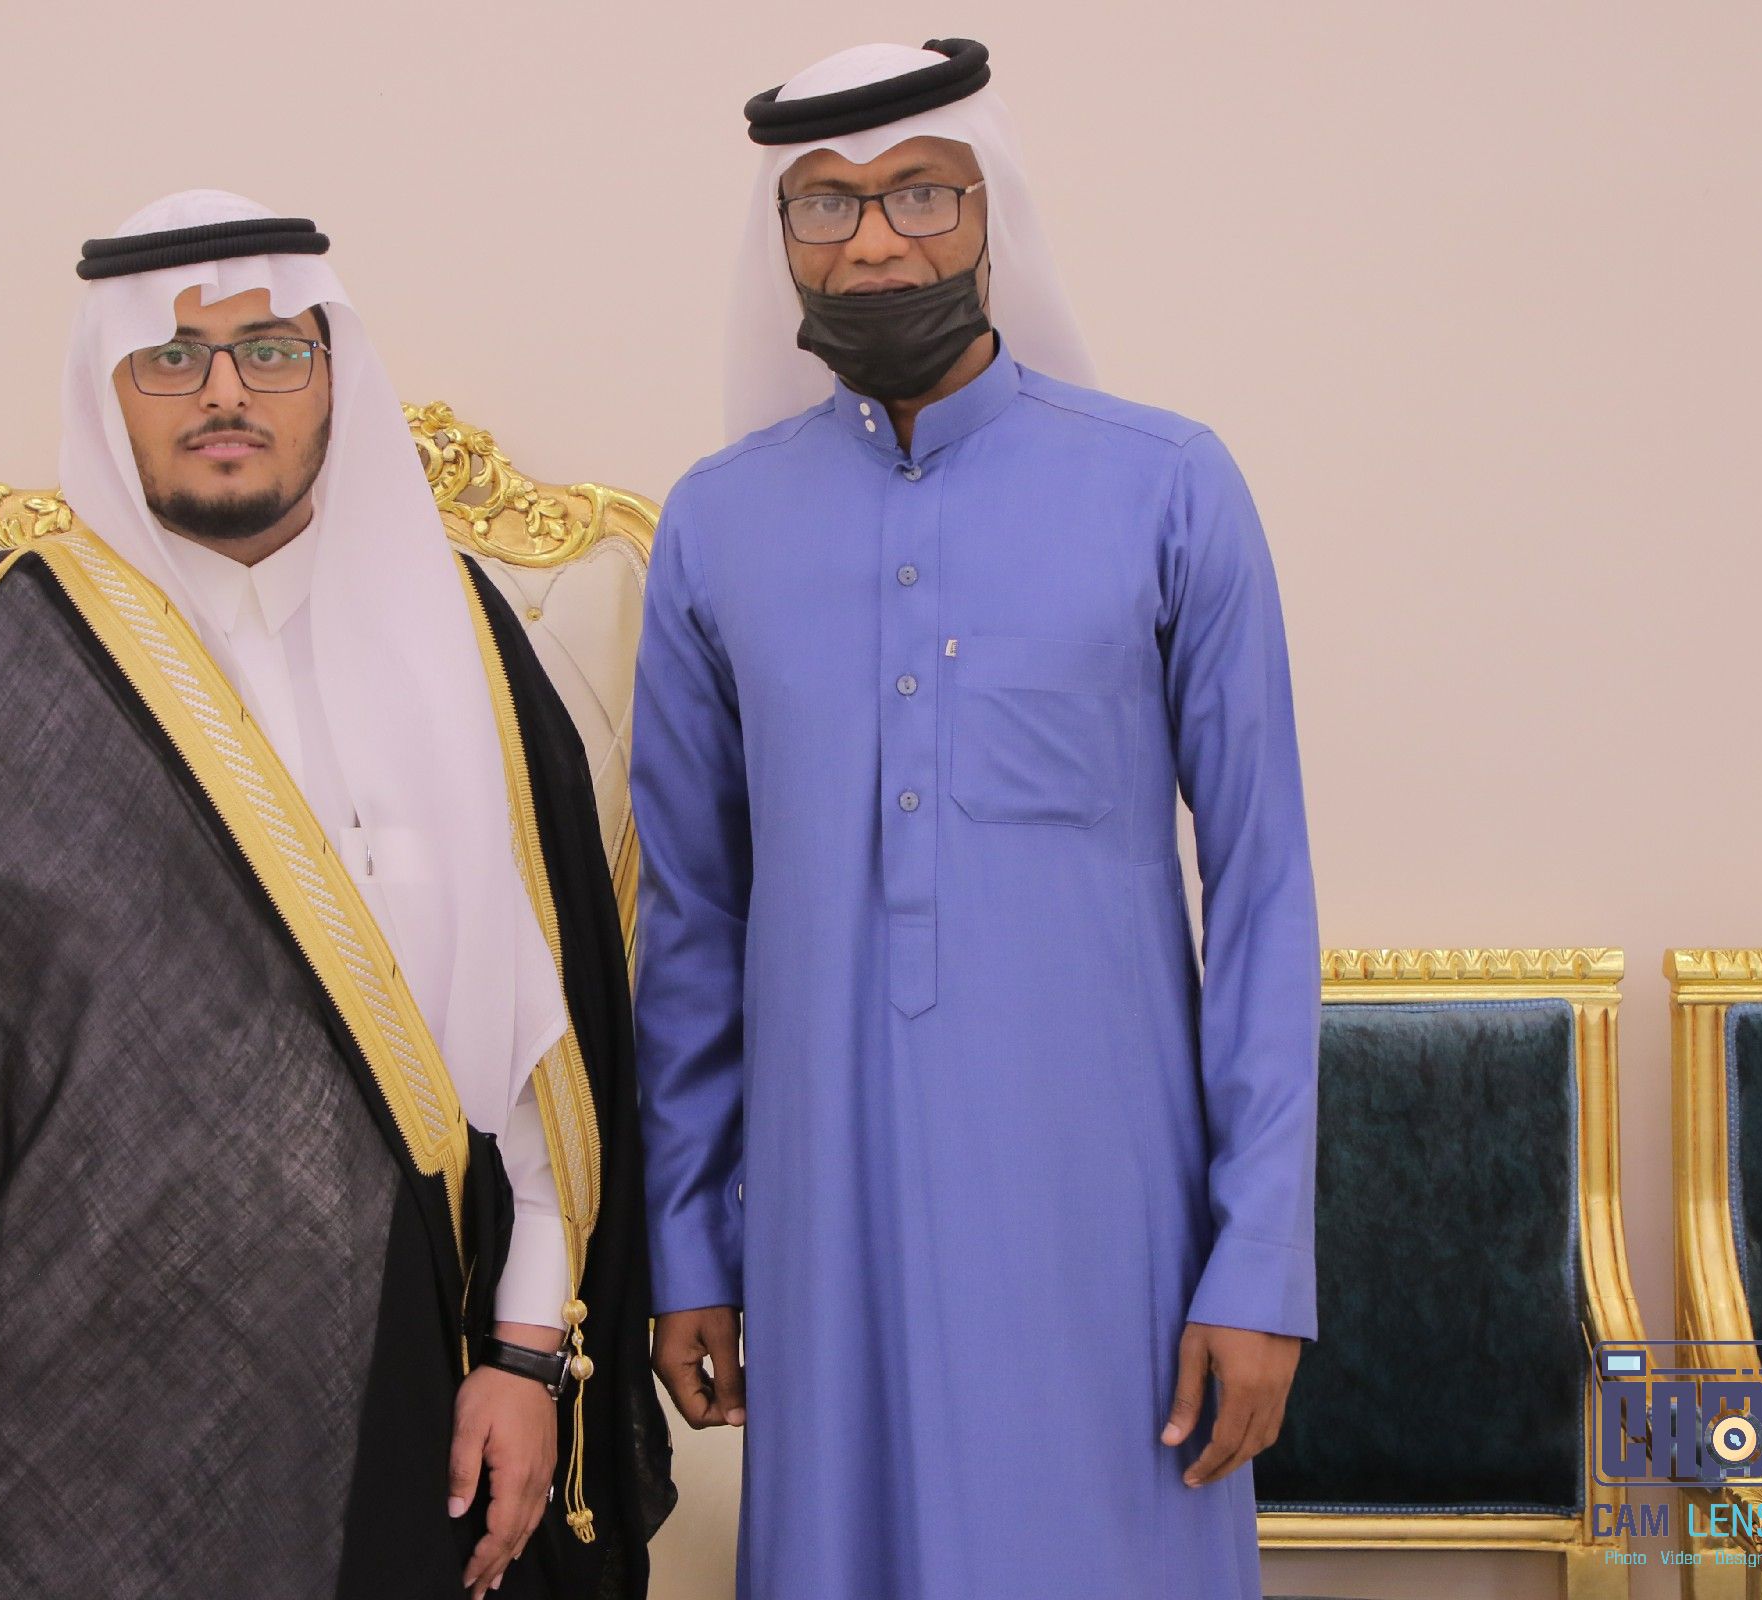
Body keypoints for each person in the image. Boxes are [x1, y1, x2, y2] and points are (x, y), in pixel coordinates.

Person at [0, 189, 670, 1600]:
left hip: (406, 1396)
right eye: (172, 356)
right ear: (109, 391)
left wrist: (528, 1355)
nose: (225, 392)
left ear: (333, 375)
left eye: (271, 349)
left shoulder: (464, 649)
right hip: (44, 1411)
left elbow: (547, 1053)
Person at [630, 39, 1320, 1600]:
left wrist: (1260, 1263)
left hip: (1109, 1230)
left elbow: (1265, 893)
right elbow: (695, 921)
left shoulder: (1169, 487)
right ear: (783, 237)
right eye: (826, 205)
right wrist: (690, 1244)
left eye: (920, 194)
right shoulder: (717, 524)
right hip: (827, 1224)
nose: (874, 242)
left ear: (991, 207)